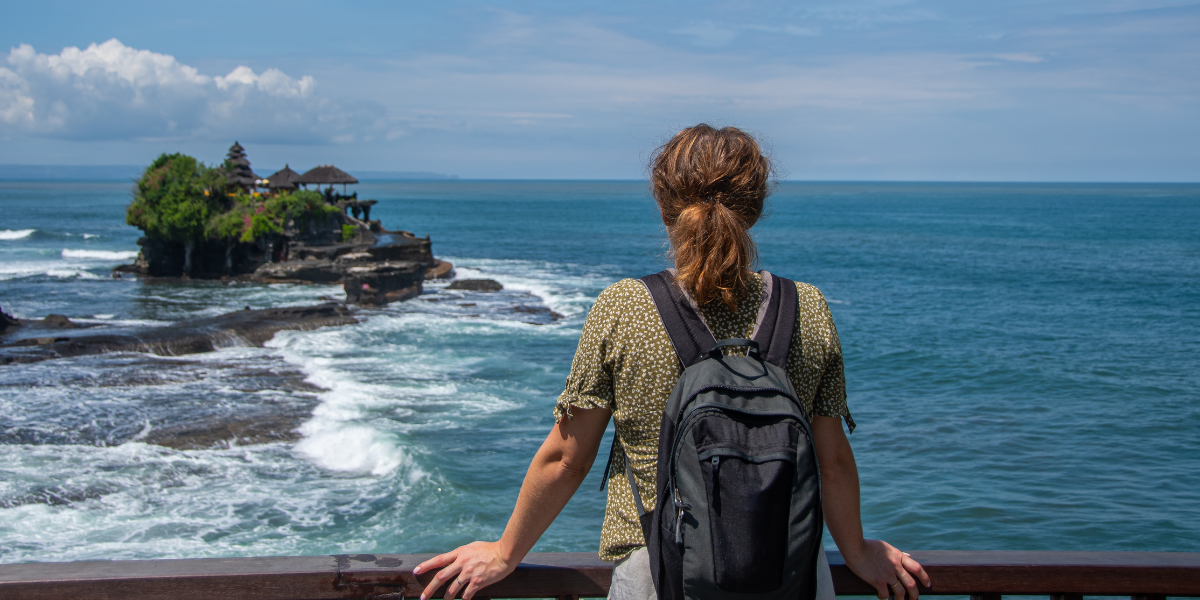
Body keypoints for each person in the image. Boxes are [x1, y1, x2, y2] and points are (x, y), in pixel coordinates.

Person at [414, 125, 931, 600]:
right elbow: (832, 460)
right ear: (755, 210)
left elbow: (567, 458)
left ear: (663, 208)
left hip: (658, 572)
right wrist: (857, 551)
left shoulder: (625, 307)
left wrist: (505, 553)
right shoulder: (807, 308)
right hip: (790, 573)